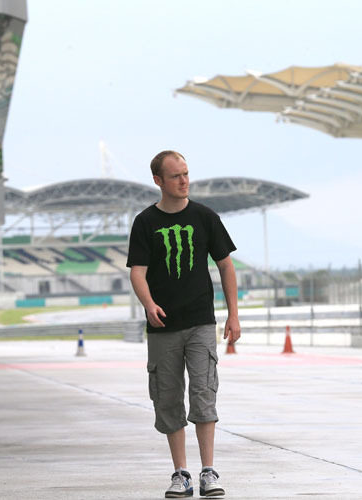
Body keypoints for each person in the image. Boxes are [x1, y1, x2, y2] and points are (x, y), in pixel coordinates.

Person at [127, 150, 241, 498]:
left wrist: (233, 314)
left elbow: (225, 266)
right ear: (158, 180)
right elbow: (137, 272)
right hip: (163, 327)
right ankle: (181, 473)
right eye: (176, 176)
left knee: (204, 394)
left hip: (200, 322)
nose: (184, 181)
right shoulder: (145, 222)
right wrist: (148, 305)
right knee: (168, 399)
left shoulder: (205, 217)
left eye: (187, 174)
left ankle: (208, 471)